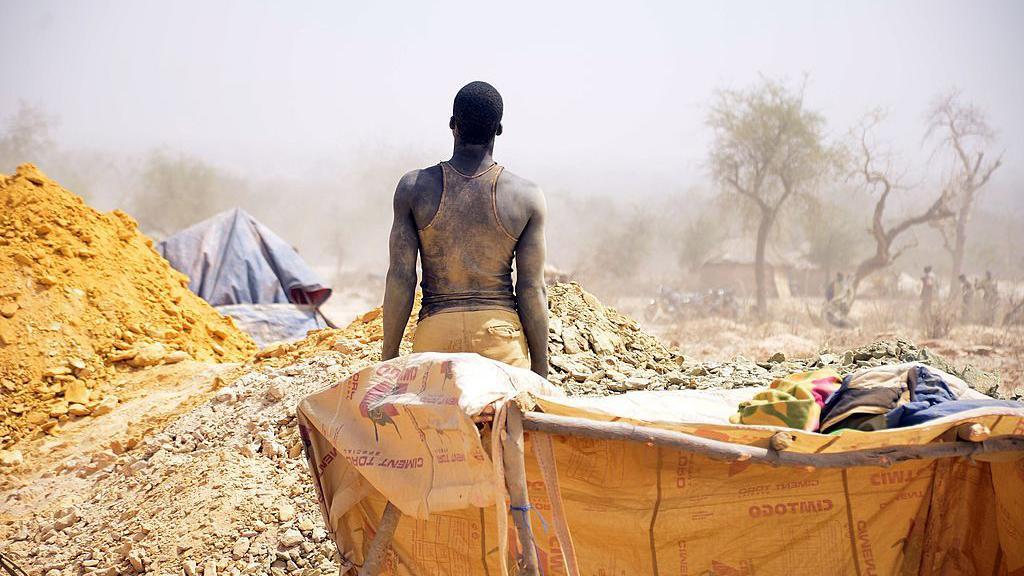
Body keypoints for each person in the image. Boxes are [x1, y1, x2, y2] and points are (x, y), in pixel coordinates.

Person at [381, 81, 548, 377]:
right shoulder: (527, 196)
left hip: (436, 338)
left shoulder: (413, 188)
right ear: (498, 129)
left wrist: (389, 357)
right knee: (504, 422)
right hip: (500, 339)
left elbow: (401, 277)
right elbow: (531, 287)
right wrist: (540, 368)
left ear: (452, 124)